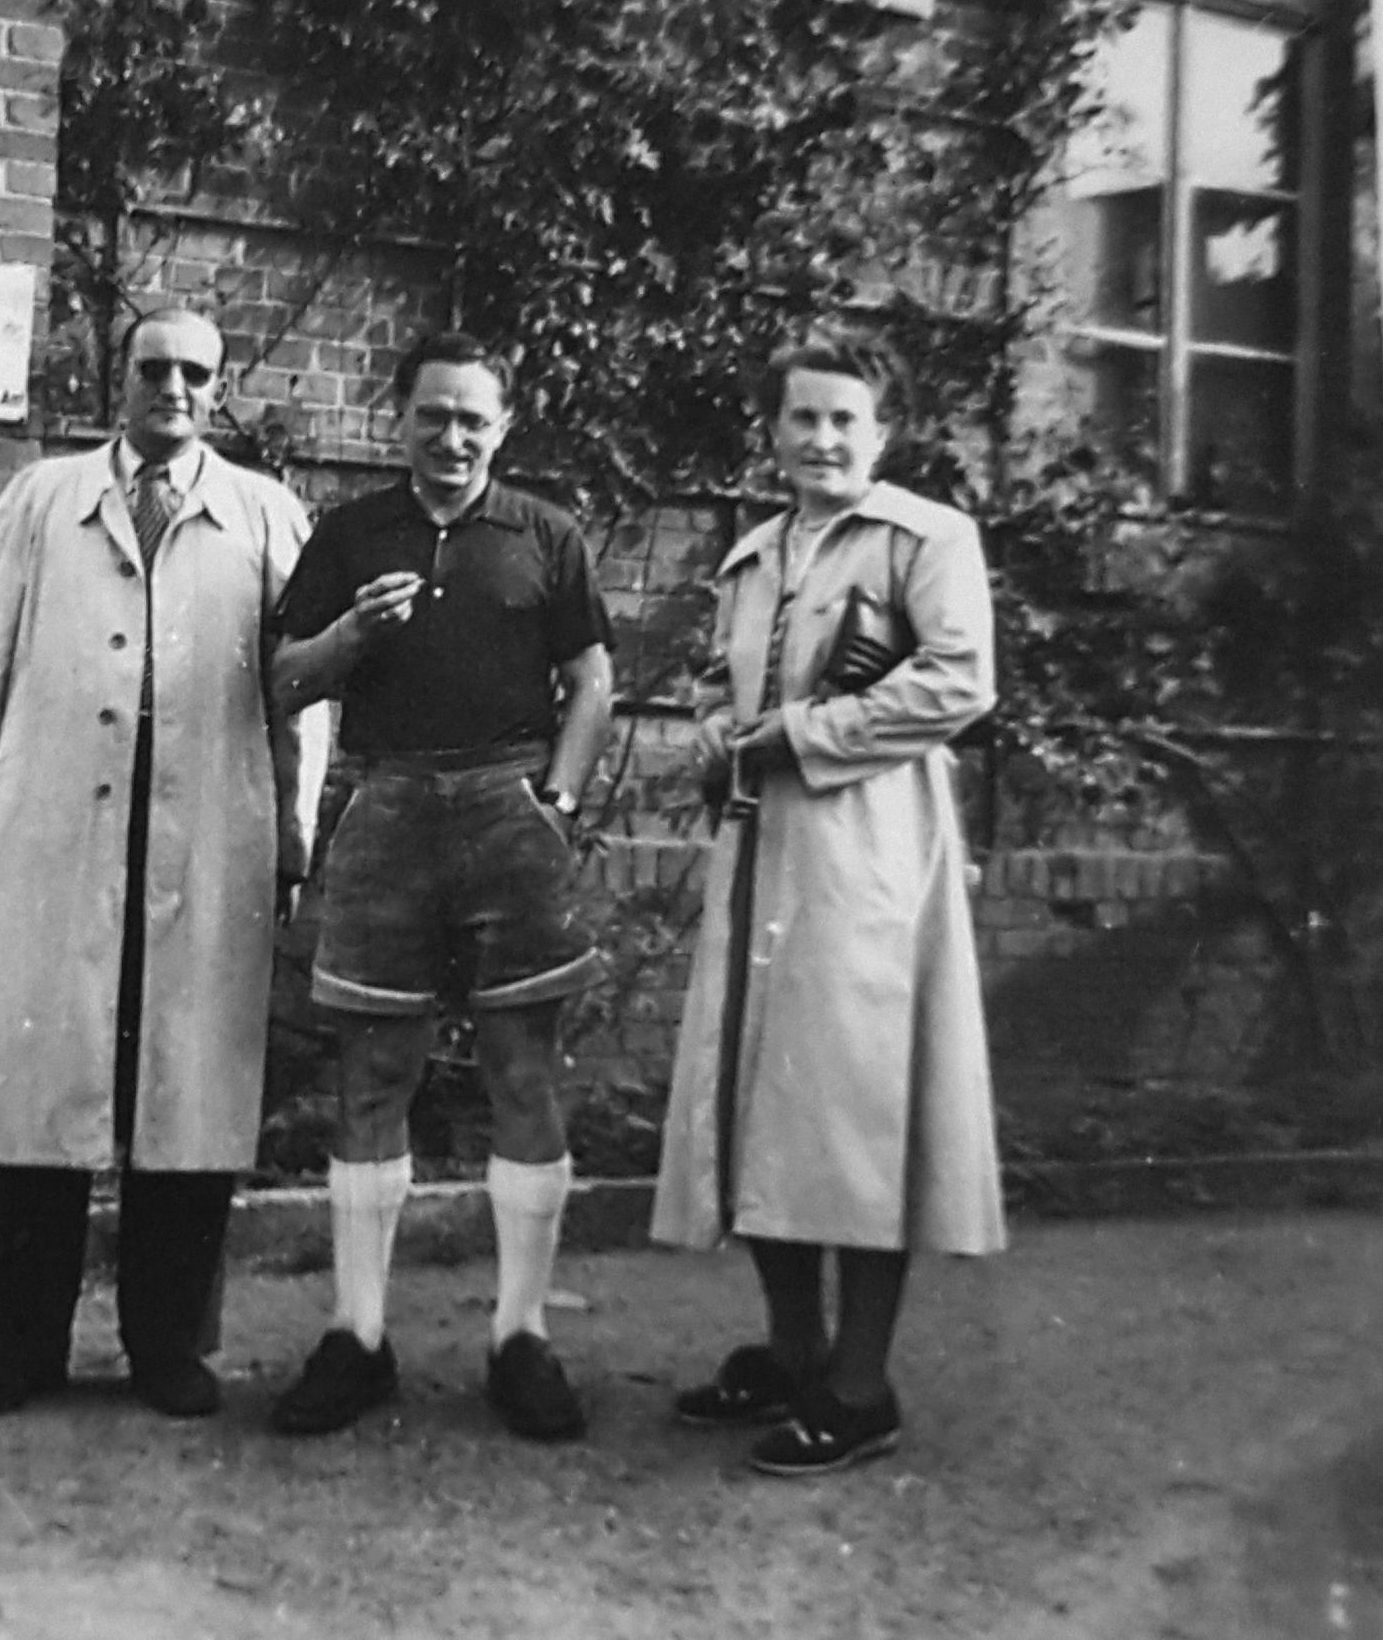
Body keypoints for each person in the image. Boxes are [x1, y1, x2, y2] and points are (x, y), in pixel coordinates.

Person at [0, 308, 326, 1420]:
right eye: (153, 368)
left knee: (185, 1100)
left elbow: (301, 696)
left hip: (207, 838)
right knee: (40, 1093)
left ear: (220, 387)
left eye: (196, 372)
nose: (175, 387)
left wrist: (291, 835)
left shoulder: (262, 514)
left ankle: (168, 1351)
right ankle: (16, 1351)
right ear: (120, 377)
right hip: (59, 832)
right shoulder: (43, 500)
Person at [650, 322, 1005, 1476]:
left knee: (853, 1112)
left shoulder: (924, 539)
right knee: (760, 1100)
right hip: (762, 858)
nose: (821, 438)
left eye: (845, 418)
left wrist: (801, 733)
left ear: (882, 432)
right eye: (802, 417)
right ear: (773, 430)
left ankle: (860, 1387)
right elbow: (720, 678)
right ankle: (793, 1351)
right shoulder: (752, 554)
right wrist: (717, 729)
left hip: (866, 859)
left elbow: (957, 681)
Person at [266, 330, 616, 1442]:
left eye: (473, 418)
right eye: (432, 415)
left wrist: (556, 801)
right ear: (399, 419)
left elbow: (592, 676)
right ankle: (357, 1337)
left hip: (510, 807)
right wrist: (354, 633)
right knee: (374, 1070)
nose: (452, 437)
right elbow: (281, 678)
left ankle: (521, 1337)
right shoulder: (348, 532)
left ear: (501, 428)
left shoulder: (547, 534)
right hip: (387, 805)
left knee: (522, 1067)